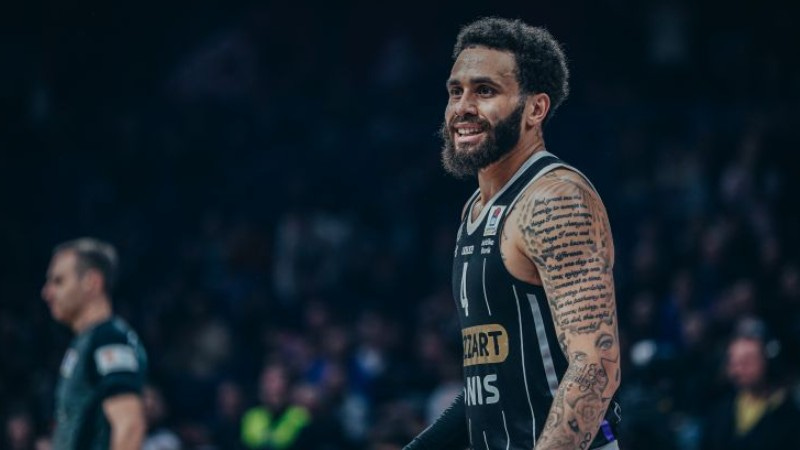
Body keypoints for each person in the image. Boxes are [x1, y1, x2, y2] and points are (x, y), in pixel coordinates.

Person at [405, 17, 621, 449]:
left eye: (485, 91)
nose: (463, 107)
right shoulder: (476, 209)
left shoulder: (554, 199)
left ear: (535, 109)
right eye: (455, 91)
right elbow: (490, 389)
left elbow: (596, 368)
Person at [41, 238, 147, 450]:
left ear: (92, 282)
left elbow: (129, 426)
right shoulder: (86, 343)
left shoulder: (109, 340)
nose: (47, 293)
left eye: (58, 281)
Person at [703, 318, 800, 449]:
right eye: (734, 363)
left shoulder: (789, 413)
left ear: (768, 361)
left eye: (747, 362)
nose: (738, 370)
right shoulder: (721, 409)